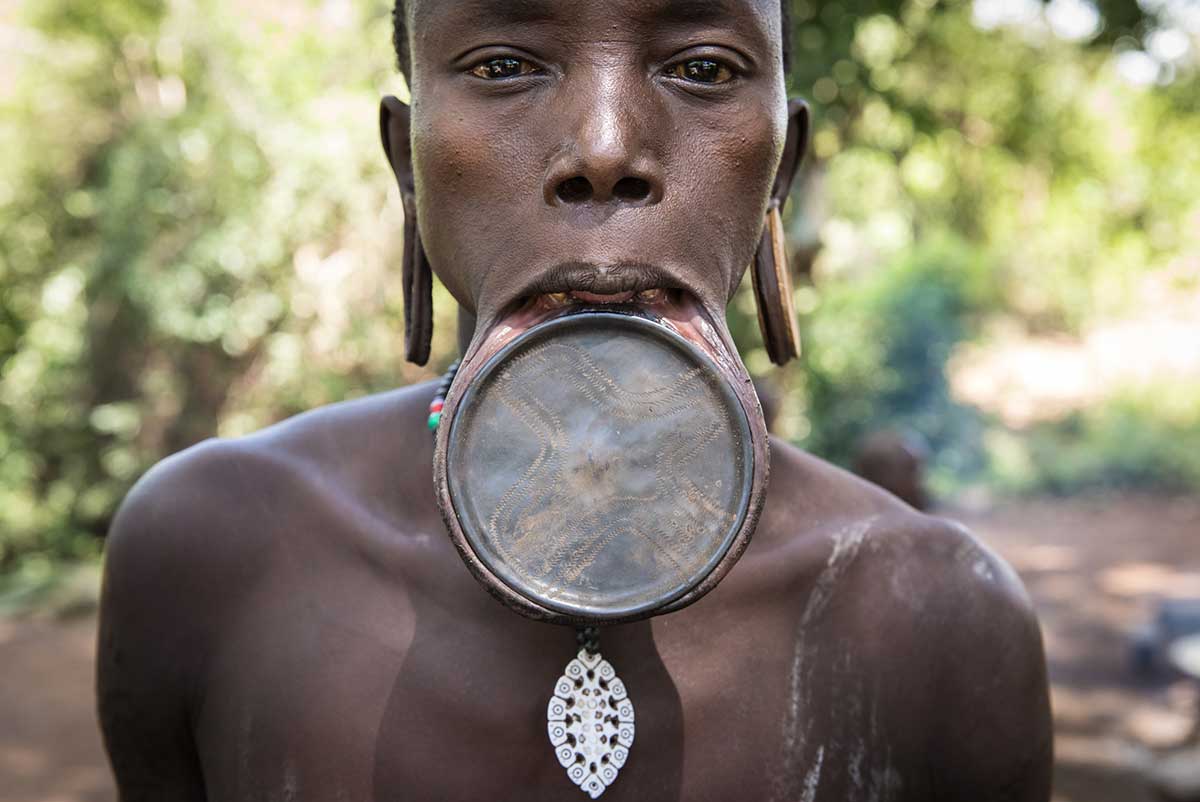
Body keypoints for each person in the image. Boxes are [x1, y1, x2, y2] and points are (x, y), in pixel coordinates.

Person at [96, 1, 1053, 799]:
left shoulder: (937, 624)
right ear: (409, 165)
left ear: (780, 173)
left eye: (707, 70)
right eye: (505, 63)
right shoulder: (211, 554)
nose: (604, 148)